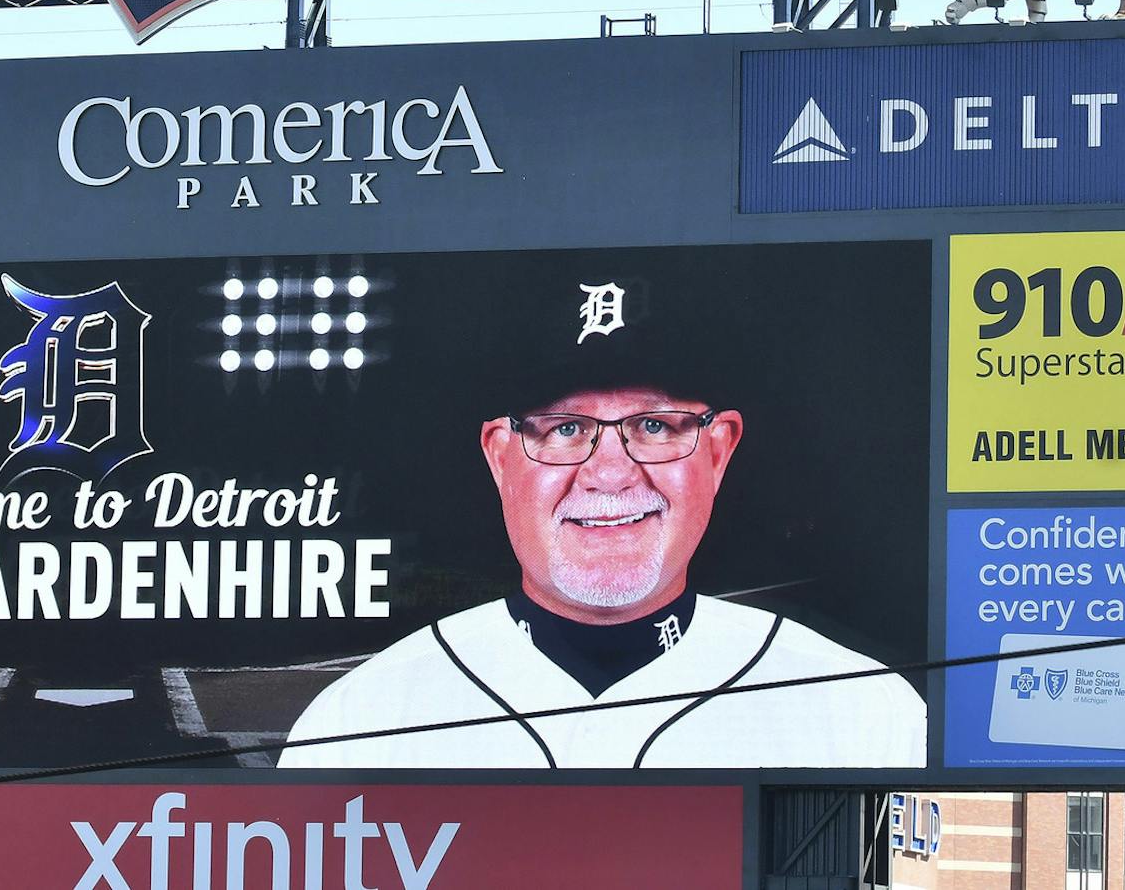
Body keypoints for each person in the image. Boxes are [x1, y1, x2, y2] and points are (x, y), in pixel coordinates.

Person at [280, 274, 925, 768]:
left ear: (720, 447)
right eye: (566, 429)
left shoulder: (861, 708)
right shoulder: (357, 722)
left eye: (654, 426)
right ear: (500, 456)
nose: (610, 473)